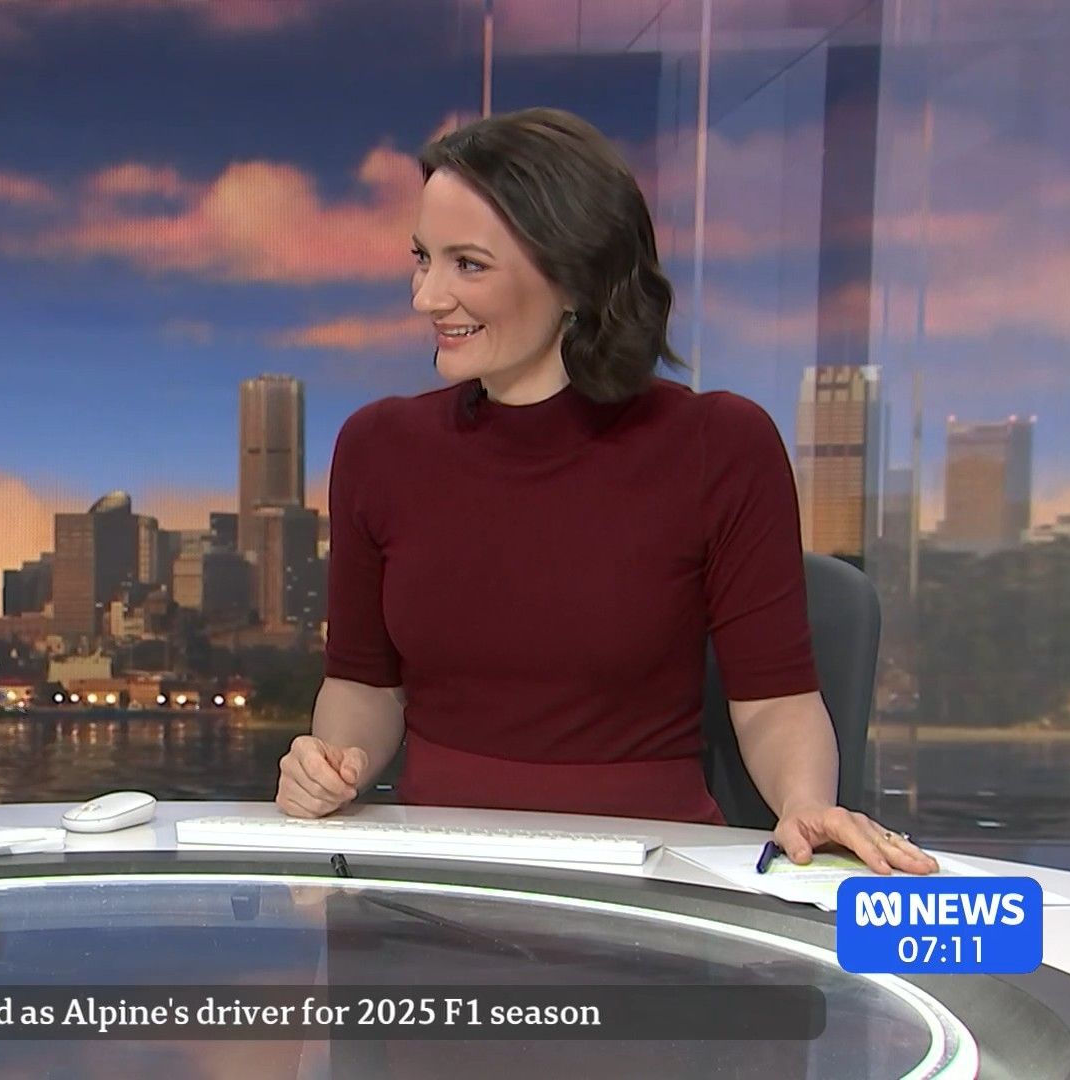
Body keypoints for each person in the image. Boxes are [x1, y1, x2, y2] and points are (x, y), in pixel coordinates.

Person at [275, 108, 935, 875]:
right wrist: (332, 765)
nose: (426, 296)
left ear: (574, 276)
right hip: (427, 877)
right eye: (423, 258)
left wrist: (804, 803)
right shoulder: (379, 447)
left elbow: (774, 704)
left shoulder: (719, 445)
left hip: (648, 878)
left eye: (468, 265)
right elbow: (364, 686)